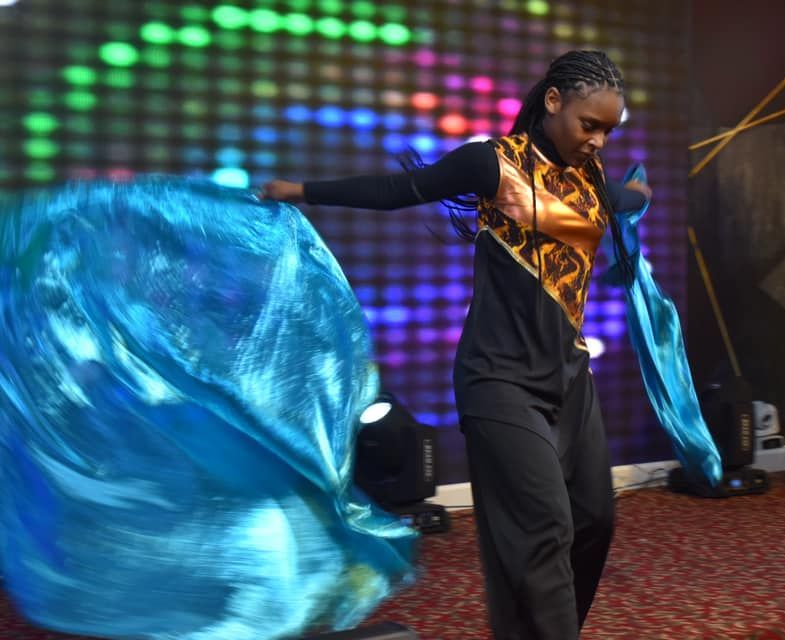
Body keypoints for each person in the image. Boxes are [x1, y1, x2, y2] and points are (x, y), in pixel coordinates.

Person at [262, 50, 651, 640]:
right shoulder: (493, 163)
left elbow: (623, 201)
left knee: (594, 519)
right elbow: (398, 188)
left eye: (608, 131)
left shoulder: (592, 177)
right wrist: (301, 190)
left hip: (571, 378)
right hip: (499, 378)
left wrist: (640, 193)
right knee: (544, 526)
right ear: (553, 102)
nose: (598, 141)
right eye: (589, 125)